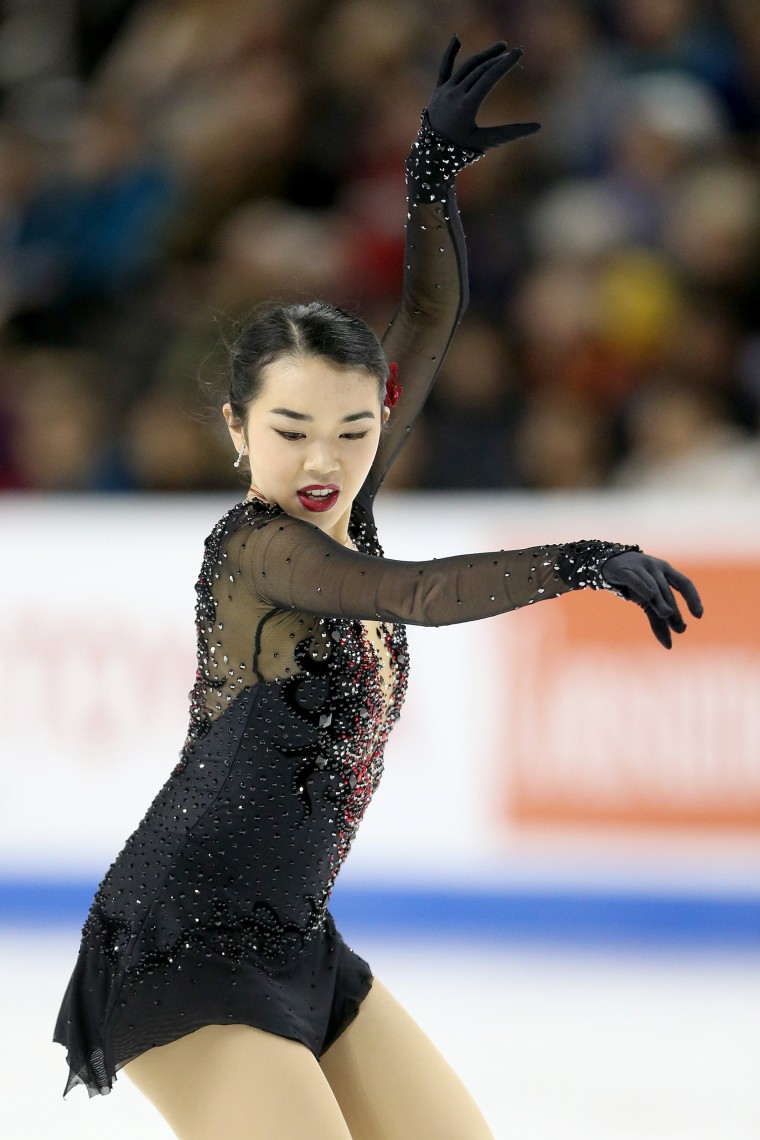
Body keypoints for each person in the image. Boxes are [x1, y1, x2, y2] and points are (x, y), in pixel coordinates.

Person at [53, 37, 703, 1139]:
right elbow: (410, 593)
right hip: (180, 939)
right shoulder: (261, 551)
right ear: (236, 429)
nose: (325, 459)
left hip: (296, 937)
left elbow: (430, 321)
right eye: (291, 431)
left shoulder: (337, 498)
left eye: (356, 431)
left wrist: (430, 176)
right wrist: (577, 561)